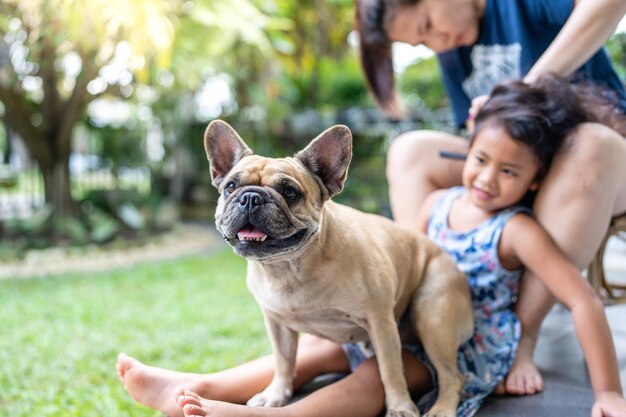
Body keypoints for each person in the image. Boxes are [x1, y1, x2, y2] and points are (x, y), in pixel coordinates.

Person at [117, 75, 626, 417]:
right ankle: (205, 386)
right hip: (389, 311)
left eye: (510, 170)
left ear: (538, 182)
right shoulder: (438, 206)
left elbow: (580, 298)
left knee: (375, 379)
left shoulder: (518, 229)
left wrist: (608, 392)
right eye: (479, 160)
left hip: (464, 329)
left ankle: (294, 414)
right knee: (317, 349)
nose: (487, 178)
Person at [356, 0, 626, 395]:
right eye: (422, 42)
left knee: (591, 144)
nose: (438, 43)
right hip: (518, 170)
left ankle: (522, 337)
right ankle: (425, 305)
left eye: (428, 24)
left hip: (601, 163)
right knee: (409, 151)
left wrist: (527, 88)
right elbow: (480, 145)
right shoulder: (454, 49)